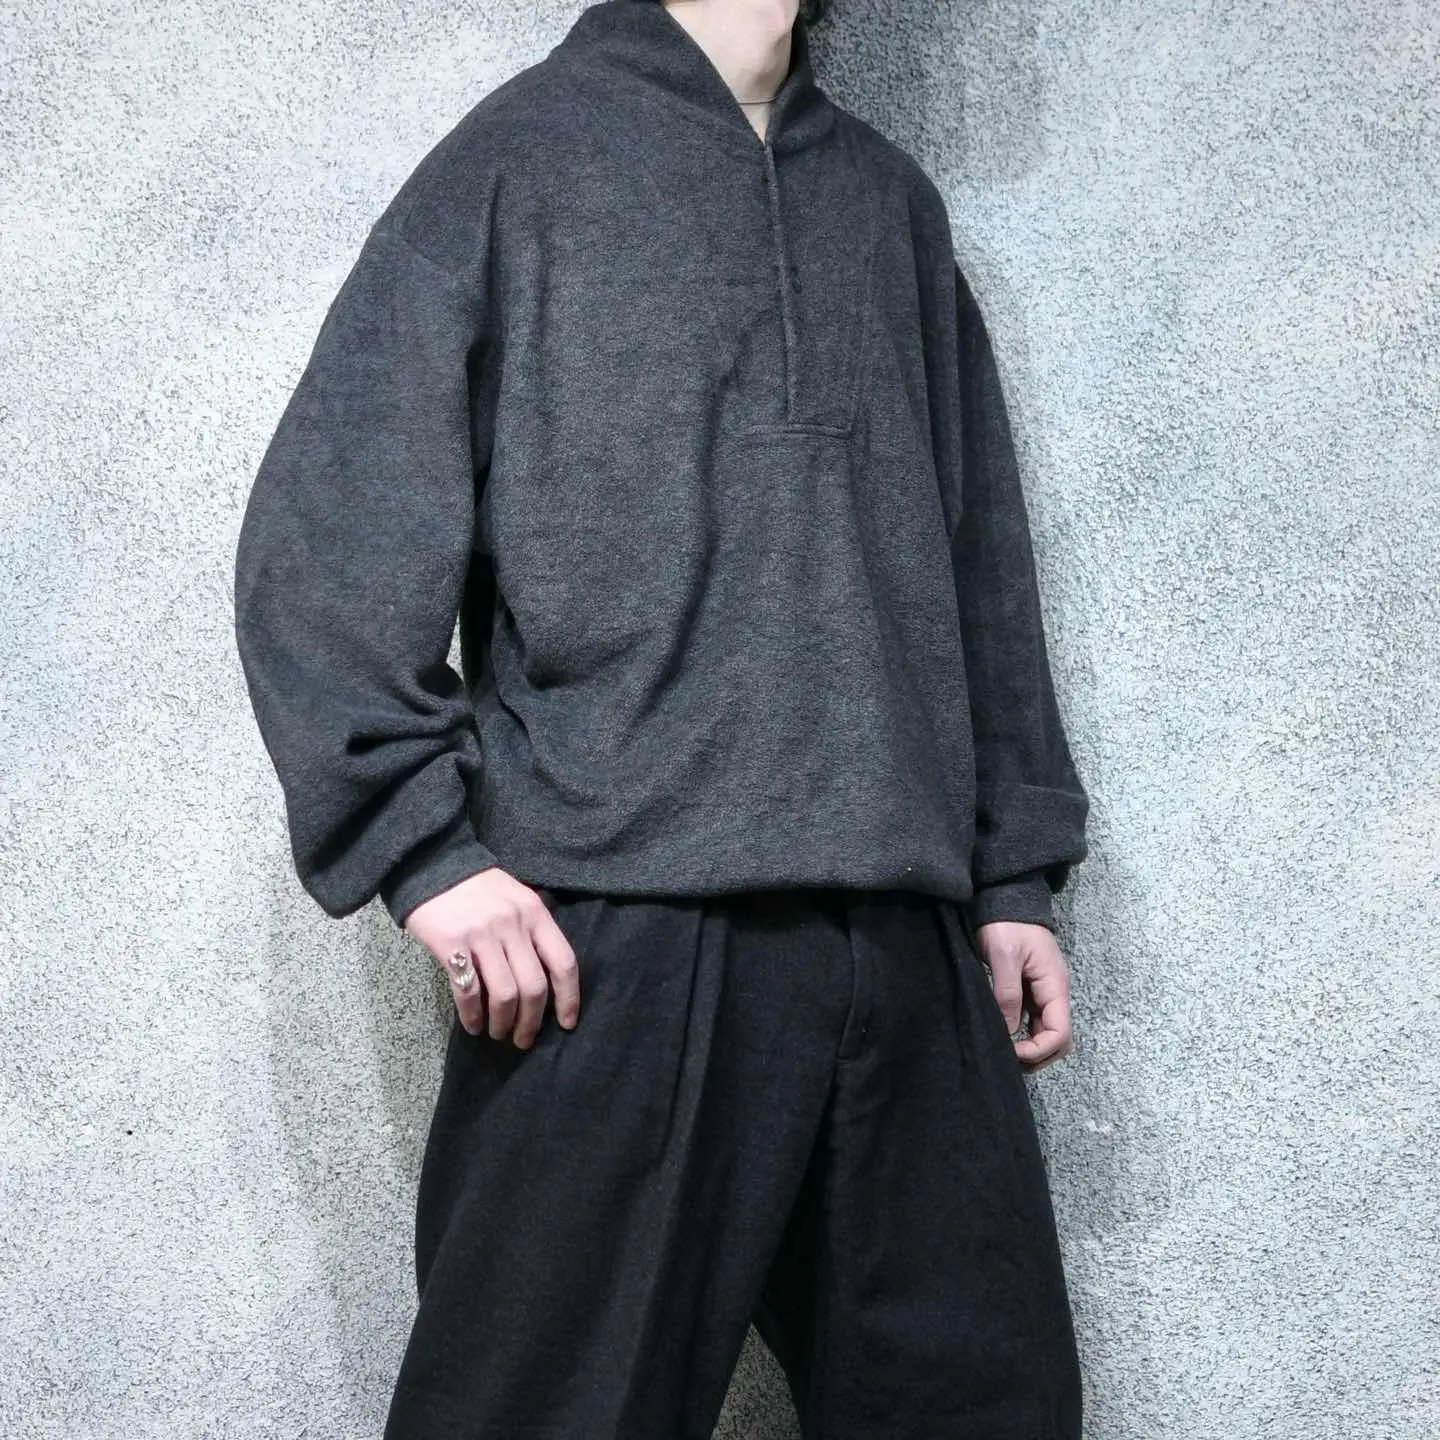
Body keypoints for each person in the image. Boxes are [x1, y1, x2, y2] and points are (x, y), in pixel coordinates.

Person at [232, 0, 1092, 1434]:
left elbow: (977, 563)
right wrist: (424, 851)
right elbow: (327, 540)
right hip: (616, 949)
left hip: (907, 943)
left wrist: (1011, 876)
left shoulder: (889, 205)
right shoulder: (517, 163)